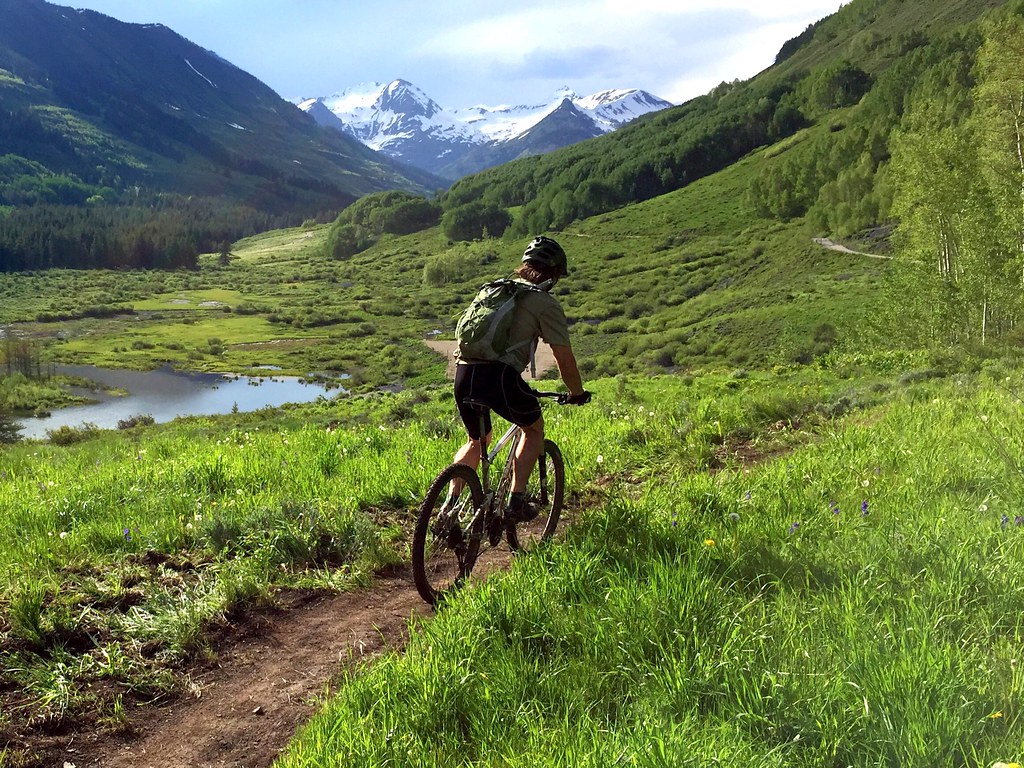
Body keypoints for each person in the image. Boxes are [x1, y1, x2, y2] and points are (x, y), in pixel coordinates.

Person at [452, 235, 591, 528]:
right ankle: (516, 500)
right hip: (498, 377)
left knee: (477, 441)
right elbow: (564, 358)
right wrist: (576, 392)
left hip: (464, 372)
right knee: (533, 428)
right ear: (553, 274)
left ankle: (448, 508)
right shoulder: (544, 303)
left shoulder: (496, 289)